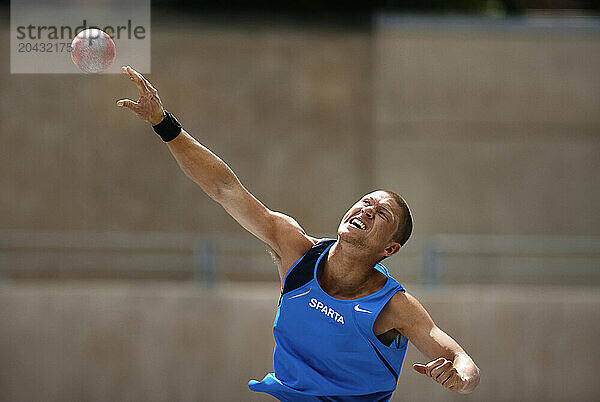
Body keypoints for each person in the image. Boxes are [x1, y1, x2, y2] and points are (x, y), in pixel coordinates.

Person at [117, 66, 480, 401]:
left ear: (391, 248)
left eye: (381, 214)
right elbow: (225, 188)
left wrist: (460, 377)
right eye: (366, 202)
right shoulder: (296, 250)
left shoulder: (392, 306)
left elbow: (462, 361)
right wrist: (162, 123)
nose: (367, 210)